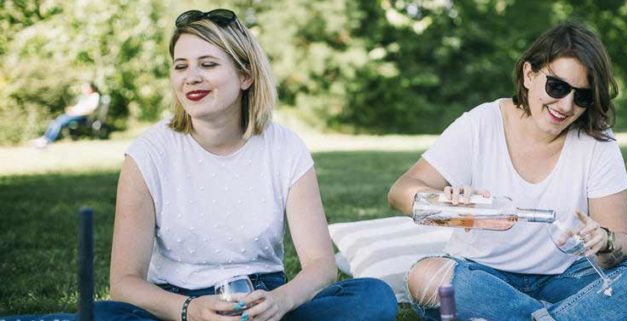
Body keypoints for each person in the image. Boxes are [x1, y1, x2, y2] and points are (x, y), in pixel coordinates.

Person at [5, 8, 397, 321]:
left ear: (245, 76)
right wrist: (189, 311)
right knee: (106, 314)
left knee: (371, 297)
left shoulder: (285, 149)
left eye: (208, 64)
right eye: (181, 66)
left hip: (260, 301)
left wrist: (280, 302)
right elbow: (124, 282)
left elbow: (320, 266)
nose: (190, 77)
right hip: (172, 305)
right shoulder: (149, 153)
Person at [387, 21, 627, 321]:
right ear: (529, 74)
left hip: (570, 280)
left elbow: (622, 242)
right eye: (557, 87)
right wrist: (443, 201)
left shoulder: (597, 141)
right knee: (426, 275)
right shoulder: (481, 123)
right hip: (484, 278)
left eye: (581, 96)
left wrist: (605, 241)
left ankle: (533, 317)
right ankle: (571, 316)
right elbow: (400, 192)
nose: (566, 105)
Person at [30, 82, 100, 148]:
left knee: (60, 122)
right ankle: (45, 138)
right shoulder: (84, 97)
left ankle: (48, 140)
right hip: (75, 114)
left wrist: (76, 112)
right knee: (55, 121)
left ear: (91, 88)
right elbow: (78, 107)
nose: (84, 89)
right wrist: (71, 109)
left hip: (83, 117)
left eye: (86, 87)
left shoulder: (94, 96)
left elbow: (90, 110)